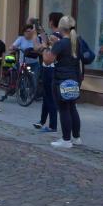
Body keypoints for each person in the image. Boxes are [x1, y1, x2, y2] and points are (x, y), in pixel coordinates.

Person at [42, 15, 83, 149]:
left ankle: (66, 140)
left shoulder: (61, 44)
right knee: (72, 108)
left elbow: (47, 61)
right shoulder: (76, 42)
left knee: (64, 109)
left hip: (61, 79)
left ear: (60, 28)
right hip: (74, 78)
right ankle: (76, 138)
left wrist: (45, 47)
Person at [33, 12, 63, 133]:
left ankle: (52, 125)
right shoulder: (59, 36)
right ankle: (42, 121)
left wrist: (40, 44)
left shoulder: (54, 37)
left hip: (50, 68)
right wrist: (41, 34)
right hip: (51, 68)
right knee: (46, 96)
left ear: (51, 22)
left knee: (50, 97)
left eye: (49, 20)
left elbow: (42, 49)